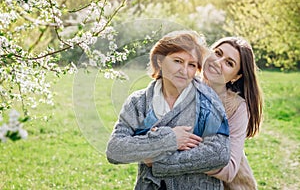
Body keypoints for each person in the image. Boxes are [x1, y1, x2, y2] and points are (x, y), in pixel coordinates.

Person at [106, 30, 230, 189]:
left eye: (191, 65)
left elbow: (219, 154)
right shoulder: (139, 102)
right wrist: (170, 139)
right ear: (159, 61)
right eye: (178, 61)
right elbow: (115, 150)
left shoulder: (208, 101)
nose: (184, 71)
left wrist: (156, 162)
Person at [151, 36, 263, 190]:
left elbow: (230, 170)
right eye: (217, 53)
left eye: (229, 63)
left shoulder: (237, 107)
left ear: (236, 76)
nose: (218, 62)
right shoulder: (183, 81)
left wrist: (171, 154)